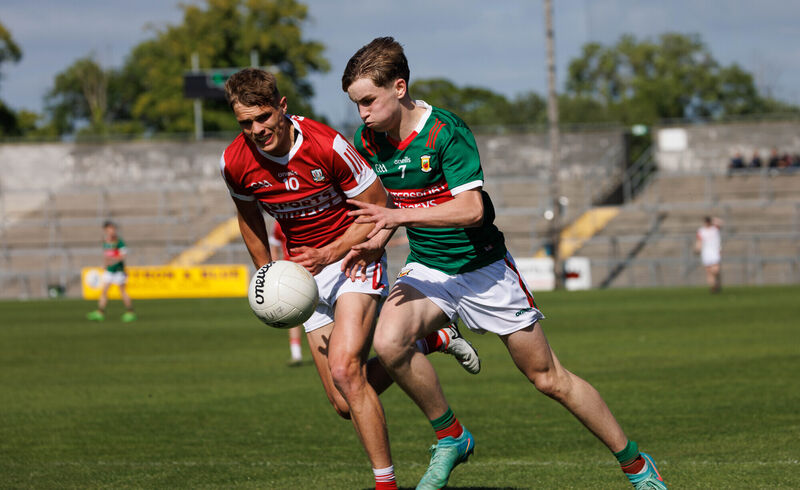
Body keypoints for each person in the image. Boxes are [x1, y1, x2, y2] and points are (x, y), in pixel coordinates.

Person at [340, 37, 666, 490]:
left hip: (485, 270)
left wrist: (397, 216)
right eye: (356, 104)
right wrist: (378, 238)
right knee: (390, 342)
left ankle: (636, 464)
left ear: (399, 87)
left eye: (368, 101)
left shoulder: (445, 132)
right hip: (429, 267)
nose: (363, 115)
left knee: (547, 378)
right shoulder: (369, 141)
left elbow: (472, 209)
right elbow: (396, 205)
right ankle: (450, 435)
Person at [219, 68, 479, 490]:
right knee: (343, 401)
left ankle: (385, 484)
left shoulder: (327, 145)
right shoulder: (234, 160)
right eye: (245, 123)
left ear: (282, 108)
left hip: (353, 257)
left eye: (263, 117)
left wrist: (332, 252)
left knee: (345, 369)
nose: (256, 130)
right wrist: (266, 272)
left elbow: (377, 206)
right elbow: (248, 218)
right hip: (302, 274)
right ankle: (428, 342)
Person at [267, 220, 306, 366]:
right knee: (293, 312)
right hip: (292, 274)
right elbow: (274, 244)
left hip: (315, 269)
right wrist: (275, 270)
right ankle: (296, 354)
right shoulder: (278, 223)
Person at [86, 220, 136, 322]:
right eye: (109, 229)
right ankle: (100, 312)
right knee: (104, 291)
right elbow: (106, 256)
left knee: (122, 291)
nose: (111, 231)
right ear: (105, 230)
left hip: (118, 271)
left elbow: (123, 256)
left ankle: (130, 312)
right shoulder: (106, 242)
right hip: (109, 271)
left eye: (112, 229)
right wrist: (104, 265)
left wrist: (114, 260)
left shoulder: (119, 242)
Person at [695, 216, 723, 293]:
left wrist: (713, 219)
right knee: (709, 271)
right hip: (706, 252)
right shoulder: (701, 231)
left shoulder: (714, 229)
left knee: (716, 270)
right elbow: (699, 241)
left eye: (708, 221)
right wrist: (697, 249)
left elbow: (721, 222)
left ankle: (716, 282)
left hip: (715, 252)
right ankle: (713, 287)